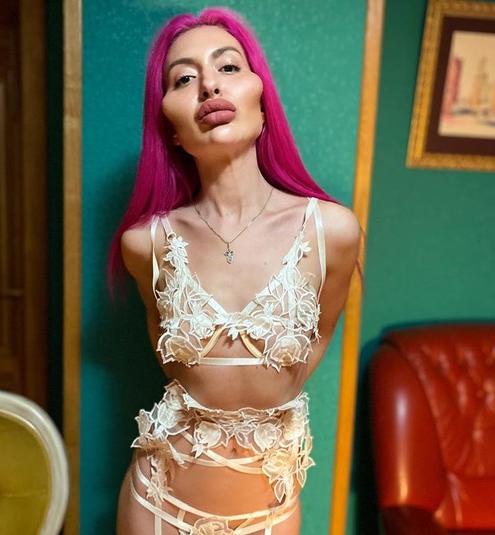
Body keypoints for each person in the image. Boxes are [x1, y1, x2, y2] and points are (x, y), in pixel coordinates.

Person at [111, 7, 360, 535]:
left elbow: (316, 342)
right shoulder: (146, 245)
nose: (209, 86)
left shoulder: (330, 232)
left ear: (262, 103)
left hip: (267, 515)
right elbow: (172, 363)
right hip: (156, 507)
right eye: (184, 78)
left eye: (228, 67)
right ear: (171, 129)